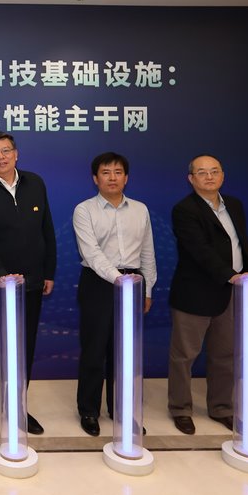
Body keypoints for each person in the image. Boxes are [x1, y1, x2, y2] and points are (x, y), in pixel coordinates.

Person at [0, 131, 56, 439]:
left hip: (31, 282)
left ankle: (17, 406)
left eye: (6, 151)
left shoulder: (36, 183)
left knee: (24, 346)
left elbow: (47, 230)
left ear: (16, 154)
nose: (1, 157)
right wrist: (0, 276)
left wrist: (48, 272)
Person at [168, 154, 248, 435]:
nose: (209, 176)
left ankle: (221, 408)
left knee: (225, 354)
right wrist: (229, 274)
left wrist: (244, 275)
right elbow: (199, 250)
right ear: (191, 178)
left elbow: (241, 245)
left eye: (214, 171)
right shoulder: (185, 210)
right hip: (195, 292)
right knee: (184, 356)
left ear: (222, 176)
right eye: (202, 172)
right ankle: (181, 409)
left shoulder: (235, 205)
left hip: (232, 291)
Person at [72, 152, 157, 437]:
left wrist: (147, 288)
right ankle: (89, 410)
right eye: (106, 172)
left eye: (118, 172)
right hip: (98, 282)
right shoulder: (84, 210)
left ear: (126, 178)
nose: (112, 177)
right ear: (95, 178)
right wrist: (119, 279)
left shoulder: (140, 210)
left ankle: (122, 410)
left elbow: (147, 252)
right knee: (94, 349)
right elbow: (91, 253)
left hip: (133, 281)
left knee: (125, 353)